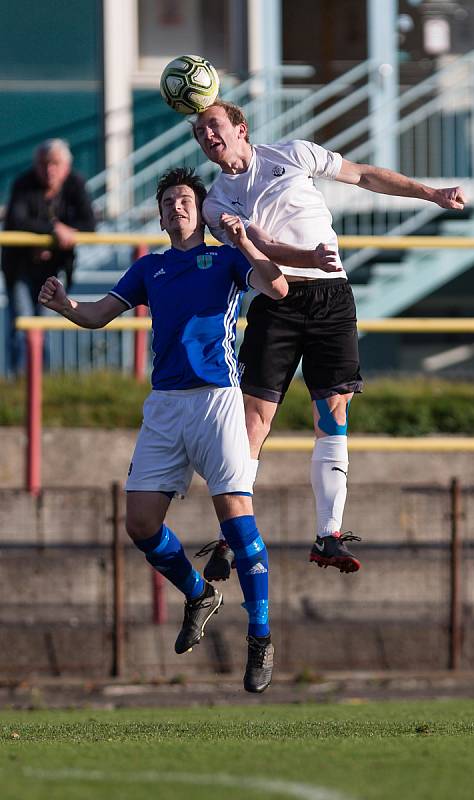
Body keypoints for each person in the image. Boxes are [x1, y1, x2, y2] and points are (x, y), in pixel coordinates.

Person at [37, 167, 333, 693]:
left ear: (200, 212)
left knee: (236, 517)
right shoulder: (150, 268)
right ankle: (198, 594)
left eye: (185, 200)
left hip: (217, 401)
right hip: (165, 406)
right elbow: (99, 314)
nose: (177, 206)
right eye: (169, 200)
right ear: (159, 213)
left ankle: (260, 636)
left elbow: (279, 287)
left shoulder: (224, 258)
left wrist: (245, 242)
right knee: (140, 523)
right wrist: (66, 306)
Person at [192, 99, 467, 580]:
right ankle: (232, 534)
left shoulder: (291, 154)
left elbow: (362, 175)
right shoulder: (215, 203)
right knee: (254, 420)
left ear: (241, 128)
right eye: (199, 132)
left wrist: (431, 194)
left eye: (214, 126)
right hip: (277, 300)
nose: (207, 136)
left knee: (333, 411)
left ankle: (329, 534)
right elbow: (263, 246)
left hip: (331, 298)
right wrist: (309, 257)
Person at [2, 138, 96, 376]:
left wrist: (62, 236)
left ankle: (42, 381)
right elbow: (16, 220)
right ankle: (19, 382)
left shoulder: (75, 183)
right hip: (20, 267)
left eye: (55, 163)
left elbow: (89, 223)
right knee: (21, 324)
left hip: (55, 268)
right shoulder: (24, 183)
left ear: (66, 166)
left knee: (46, 325)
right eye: (44, 163)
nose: (49, 169)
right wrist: (53, 231)